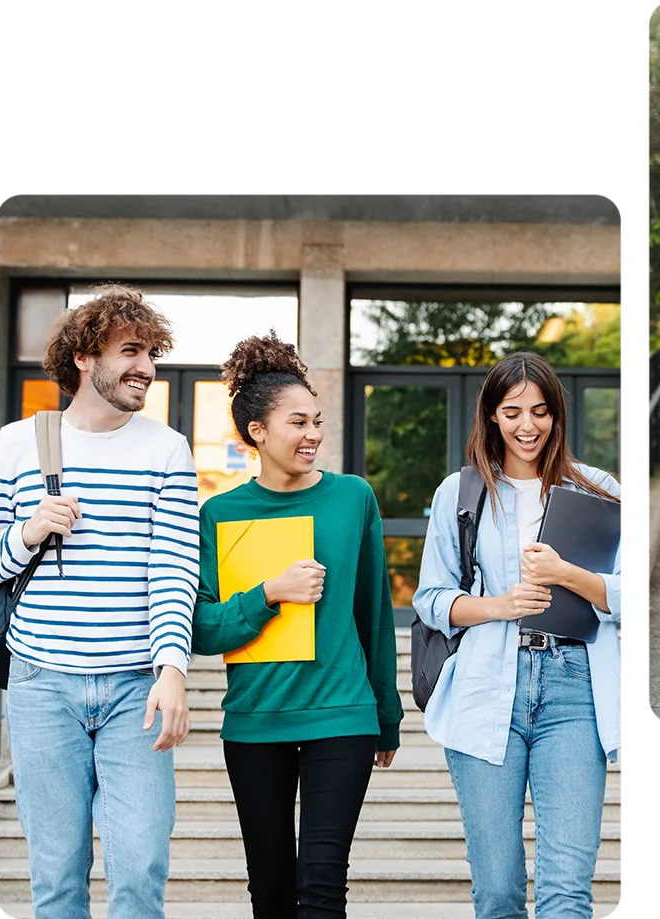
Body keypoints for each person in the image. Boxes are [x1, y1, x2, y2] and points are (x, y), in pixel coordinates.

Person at [0, 284, 194, 916]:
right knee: (56, 880)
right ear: (83, 357)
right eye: (130, 351)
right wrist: (28, 531)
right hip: (40, 686)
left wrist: (172, 669)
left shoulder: (166, 447)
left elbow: (174, 569)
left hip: (136, 687)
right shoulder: (15, 444)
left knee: (139, 873)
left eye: (152, 353)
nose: (147, 367)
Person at [191, 331, 404, 918]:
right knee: (271, 892)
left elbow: (374, 614)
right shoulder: (219, 513)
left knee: (324, 889)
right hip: (255, 722)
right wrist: (268, 594)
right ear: (257, 432)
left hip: (342, 715)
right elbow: (203, 631)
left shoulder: (352, 498)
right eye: (297, 422)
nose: (313, 435)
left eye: (317, 421)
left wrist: (386, 716)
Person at [414, 351, 622, 919]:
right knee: (499, 891)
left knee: (566, 892)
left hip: (574, 691)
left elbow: (626, 596)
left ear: (557, 415)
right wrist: (498, 605)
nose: (527, 426)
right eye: (512, 412)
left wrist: (566, 575)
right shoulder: (460, 494)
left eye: (540, 411)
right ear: (491, 416)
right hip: (485, 690)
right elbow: (430, 601)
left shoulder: (599, 490)